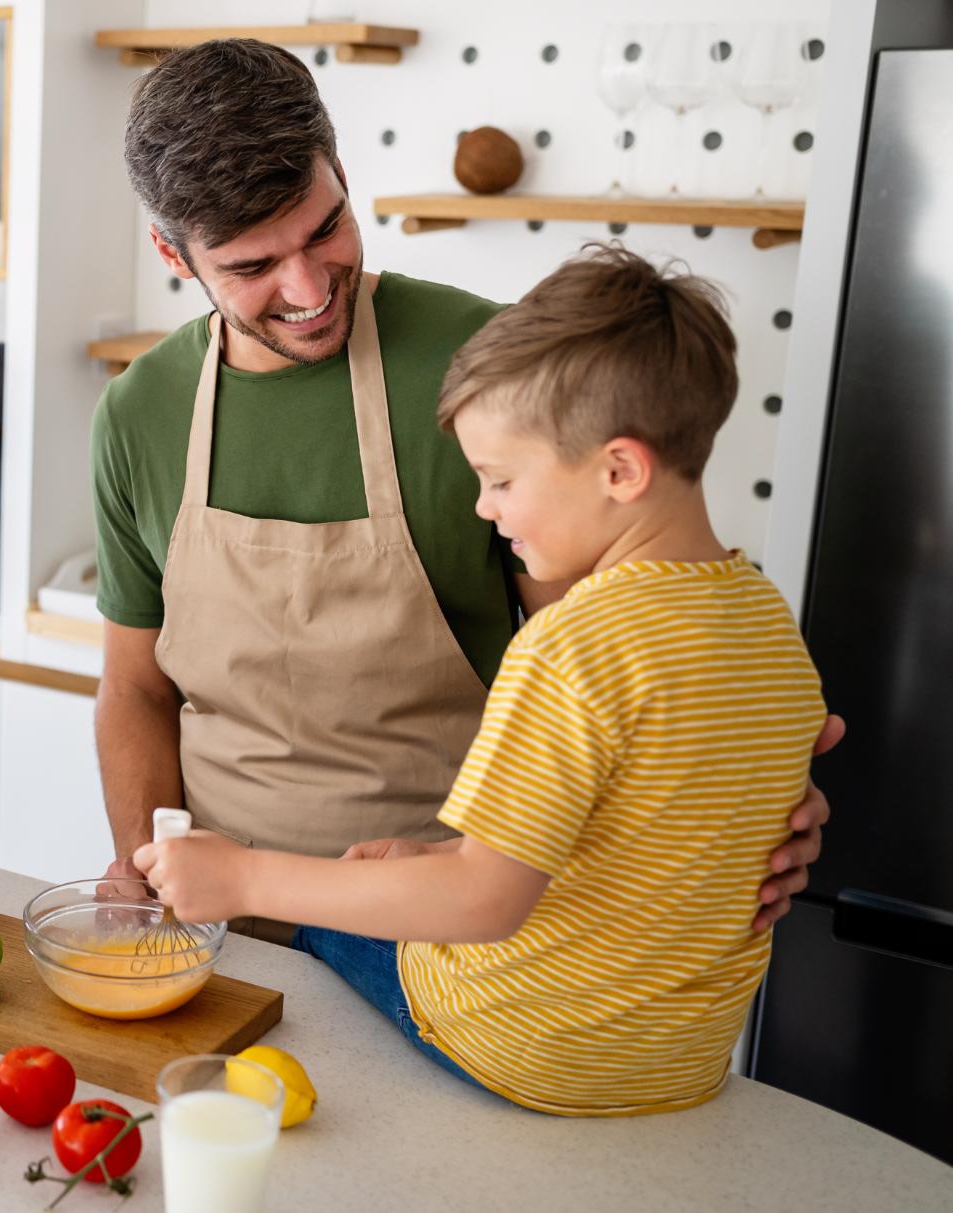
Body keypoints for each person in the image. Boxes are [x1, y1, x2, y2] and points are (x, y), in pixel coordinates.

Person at [91, 38, 830, 938]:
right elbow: (135, 689)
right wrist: (145, 866)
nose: (308, 286)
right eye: (252, 268)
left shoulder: (491, 377)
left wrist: (730, 802)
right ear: (173, 254)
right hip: (217, 911)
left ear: (342, 176)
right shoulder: (138, 414)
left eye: (324, 229)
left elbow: (612, 658)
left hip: (457, 911)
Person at [135, 246, 827, 1116]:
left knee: (301, 932)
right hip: (676, 1068)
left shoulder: (571, 644)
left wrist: (243, 879)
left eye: (501, 479)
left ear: (620, 470)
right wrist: (439, 855)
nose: (484, 507)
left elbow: (483, 901)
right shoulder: (767, 622)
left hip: (519, 1047)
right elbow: (632, 849)